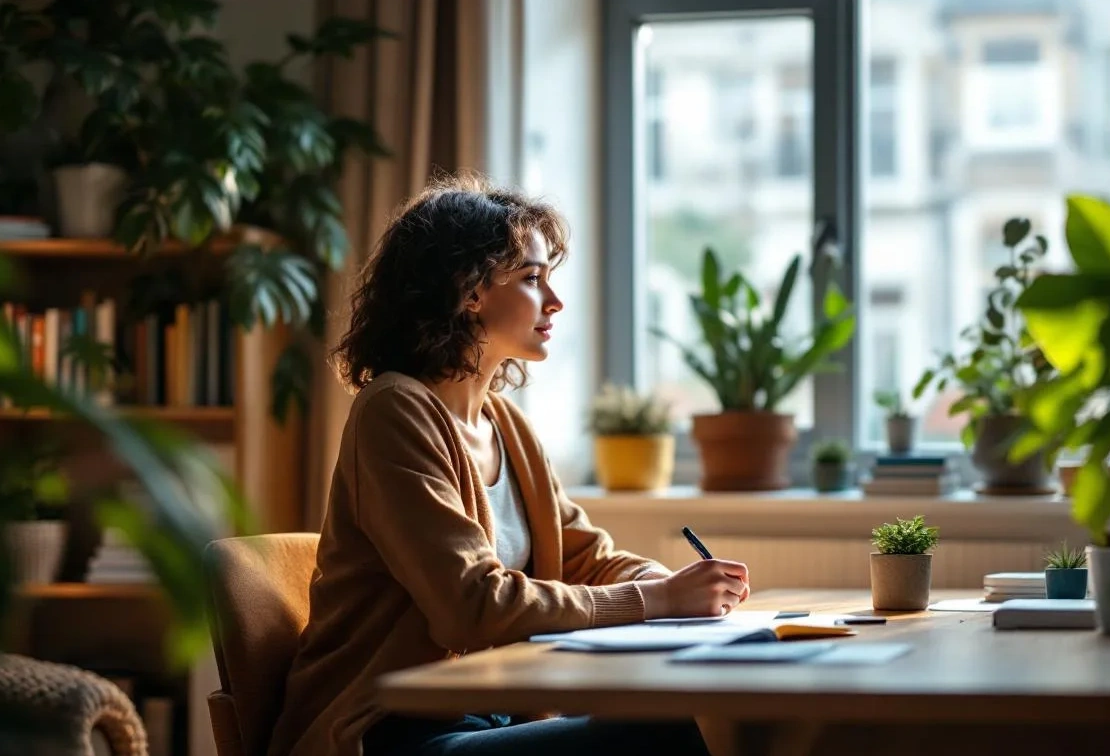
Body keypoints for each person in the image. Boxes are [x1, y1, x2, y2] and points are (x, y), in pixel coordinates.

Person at [267, 173, 750, 756]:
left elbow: (583, 558)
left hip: (490, 713)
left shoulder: (506, 424)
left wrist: (661, 582)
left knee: (670, 715)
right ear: (468, 291)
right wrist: (661, 601)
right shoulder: (393, 411)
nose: (555, 300)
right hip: (391, 729)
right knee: (661, 730)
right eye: (531, 278)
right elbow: (471, 606)